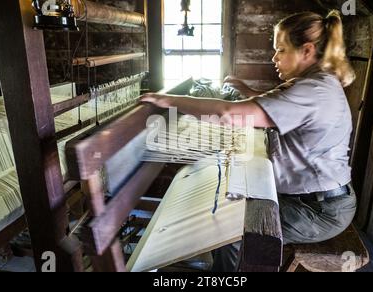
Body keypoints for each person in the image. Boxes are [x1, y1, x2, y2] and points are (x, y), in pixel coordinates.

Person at [141, 10, 357, 272]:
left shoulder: (313, 90)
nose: (274, 57)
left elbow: (229, 114)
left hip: (320, 211)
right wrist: (246, 91)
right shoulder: (313, 83)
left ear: (307, 51)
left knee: (232, 232)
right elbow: (271, 105)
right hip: (311, 200)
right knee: (226, 213)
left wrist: (169, 101)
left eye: (281, 50)